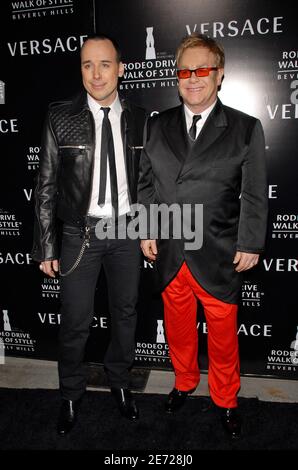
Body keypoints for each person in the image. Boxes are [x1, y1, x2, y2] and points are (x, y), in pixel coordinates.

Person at [138, 33, 268, 439]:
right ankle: (183, 382)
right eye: (184, 71)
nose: (192, 79)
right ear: (177, 77)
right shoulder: (157, 125)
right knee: (177, 328)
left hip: (218, 251)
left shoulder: (245, 129)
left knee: (224, 336)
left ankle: (226, 398)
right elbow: (145, 184)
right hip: (171, 249)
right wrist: (144, 227)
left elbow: (254, 192)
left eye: (202, 70)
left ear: (219, 74)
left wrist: (250, 242)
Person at [32, 34, 146, 434]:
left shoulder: (140, 117)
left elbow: (146, 182)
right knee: (75, 322)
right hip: (80, 233)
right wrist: (46, 243)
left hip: (128, 231)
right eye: (87, 65)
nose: (96, 74)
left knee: (126, 315)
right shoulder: (59, 116)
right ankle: (70, 394)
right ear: (80, 69)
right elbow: (46, 184)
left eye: (104, 64)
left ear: (121, 68)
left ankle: (120, 384)